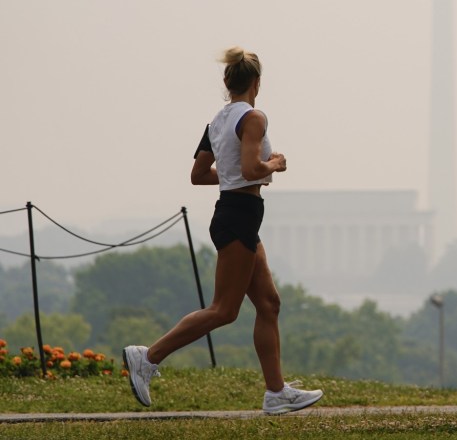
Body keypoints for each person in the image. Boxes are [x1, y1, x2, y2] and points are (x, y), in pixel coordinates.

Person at [123, 46, 323, 415]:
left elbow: (199, 175)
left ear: (228, 82)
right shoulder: (253, 118)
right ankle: (147, 357)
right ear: (257, 82)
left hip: (236, 214)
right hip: (239, 215)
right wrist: (274, 164)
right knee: (223, 310)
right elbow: (251, 170)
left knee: (269, 304)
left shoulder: (216, 122)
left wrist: (236, 173)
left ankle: (276, 393)